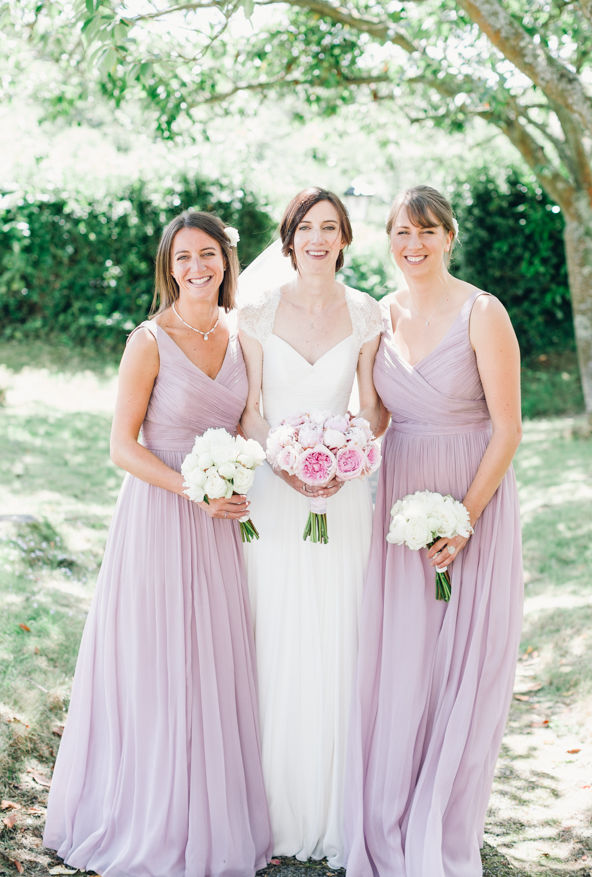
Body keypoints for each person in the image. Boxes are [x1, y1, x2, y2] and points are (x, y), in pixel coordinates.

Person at [44, 211, 272, 877]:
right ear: (167, 267)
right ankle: (145, 812)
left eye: (208, 254)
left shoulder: (242, 334)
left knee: (213, 664)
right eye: (182, 258)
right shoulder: (149, 340)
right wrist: (188, 488)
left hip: (222, 522)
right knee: (158, 662)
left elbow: (252, 422)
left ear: (227, 261)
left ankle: (210, 813)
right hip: (160, 513)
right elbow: (121, 447)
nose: (196, 267)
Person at [344, 185, 523, 877]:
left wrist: (468, 518)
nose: (412, 245)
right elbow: (379, 418)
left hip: (471, 491)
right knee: (404, 658)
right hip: (400, 495)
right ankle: (391, 811)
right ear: (388, 241)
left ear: (449, 236)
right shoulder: (378, 318)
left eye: (425, 231)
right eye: (400, 233)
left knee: (461, 663)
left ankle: (443, 818)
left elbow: (507, 428)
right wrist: (337, 456)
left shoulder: (484, 312)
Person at [237, 187, 384, 867]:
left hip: (343, 494)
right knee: (276, 631)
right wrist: (288, 459)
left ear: (345, 238)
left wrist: (348, 450)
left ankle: (333, 807)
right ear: (288, 237)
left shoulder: (367, 311)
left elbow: (376, 410)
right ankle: (267, 804)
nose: (318, 238)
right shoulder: (258, 309)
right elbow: (248, 412)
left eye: (330, 227)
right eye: (306, 227)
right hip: (276, 490)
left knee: (337, 633)